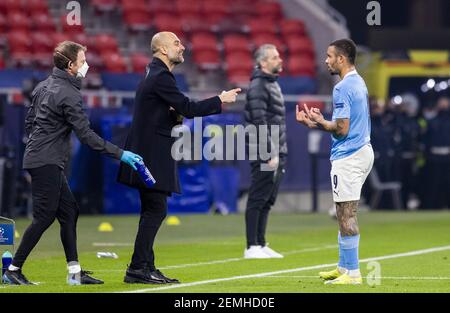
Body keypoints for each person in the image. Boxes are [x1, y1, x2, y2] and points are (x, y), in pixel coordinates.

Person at [2, 41, 142, 286]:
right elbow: (86, 135)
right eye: (82, 60)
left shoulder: (42, 86)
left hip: (41, 158)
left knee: (69, 211)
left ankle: (74, 272)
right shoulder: (68, 93)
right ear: (70, 65)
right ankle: (13, 270)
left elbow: (29, 123)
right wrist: (120, 154)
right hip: (47, 160)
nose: (86, 64)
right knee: (44, 217)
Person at [117, 32, 240, 284]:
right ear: (162, 49)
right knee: (156, 210)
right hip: (151, 154)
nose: (182, 47)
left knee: (152, 210)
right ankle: (138, 268)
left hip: (146, 152)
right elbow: (189, 108)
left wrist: (174, 116)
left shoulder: (154, 74)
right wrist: (221, 99)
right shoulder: (161, 77)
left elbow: (164, 112)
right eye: (176, 43)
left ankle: (145, 266)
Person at [296, 39, 374, 285]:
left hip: (349, 156)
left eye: (329, 56)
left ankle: (353, 274)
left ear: (341, 58)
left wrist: (320, 122)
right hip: (360, 150)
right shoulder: (358, 82)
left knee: (346, 214)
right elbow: (342, 128)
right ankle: (343, 267)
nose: (326, 60)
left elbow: (341, 130)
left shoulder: (342, 87)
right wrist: (315, 123)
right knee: (342, 212)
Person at [243, 44, 287, 259]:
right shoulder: (259, 85)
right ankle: (251, 246)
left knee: (268, 198)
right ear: (263, 62)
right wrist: (269, 152)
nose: (280, 59)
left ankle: (261, 243)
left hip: (277, 149)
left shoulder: (271, 84)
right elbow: (259, 120)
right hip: (264, 150)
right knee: (258, 197)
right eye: (274, 57)